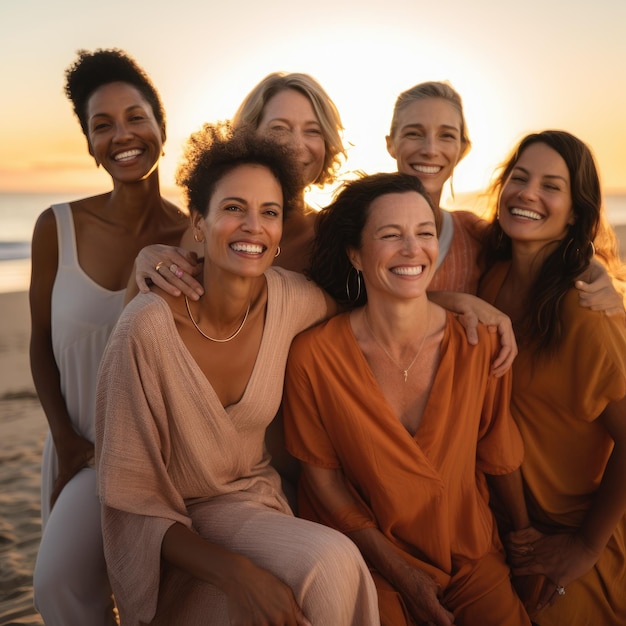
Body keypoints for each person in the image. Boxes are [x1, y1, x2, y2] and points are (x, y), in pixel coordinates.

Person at [95, 121, 379, 626]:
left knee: (329, 568)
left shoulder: (293, 299)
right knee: (325, 565)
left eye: (269, 213)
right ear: (198, 223)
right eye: (233, 208)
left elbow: (372, 312)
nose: (253, 226)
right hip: (174, 537)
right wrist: (236, 575)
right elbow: (131, 501)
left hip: (253, 507)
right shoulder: (144, 330)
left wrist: (456, 305)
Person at [282, 172, 533, 626]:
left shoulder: (479, 341)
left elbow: (498, 451)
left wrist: (525, 541)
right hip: (371, 561)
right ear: (356, 254)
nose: (412, 249)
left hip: (471, 556)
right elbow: (324, 483)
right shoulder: (312, 357)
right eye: (390, 235)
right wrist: (402, 572)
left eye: (424, 233)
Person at [29, 49, 189, 625]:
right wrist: (66, 440)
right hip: (78, 447)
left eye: (136, 116)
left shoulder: (191, 237)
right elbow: (41, 345)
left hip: (157, 455)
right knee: (65, 591)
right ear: (91, 144)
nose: (123, 135)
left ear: (161, 127)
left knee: (159, 604)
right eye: (103, 125)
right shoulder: (57, 226)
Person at [478, 130, 626, 625]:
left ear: (576, 213)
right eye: (519, 178)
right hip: (507, 524)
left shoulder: (585, 312)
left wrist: (584, 546)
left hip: (579, 532)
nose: (528, 193)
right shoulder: (490, 280)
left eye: (551, 186)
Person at [386, 81, 624, 312]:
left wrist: (592, 270)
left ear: (463, 149)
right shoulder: (358, 224)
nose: (429, 150)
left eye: (446, 135)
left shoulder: (473, 235)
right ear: (391, 145)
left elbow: (536, 251)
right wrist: (455, 301)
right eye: (414, 134)